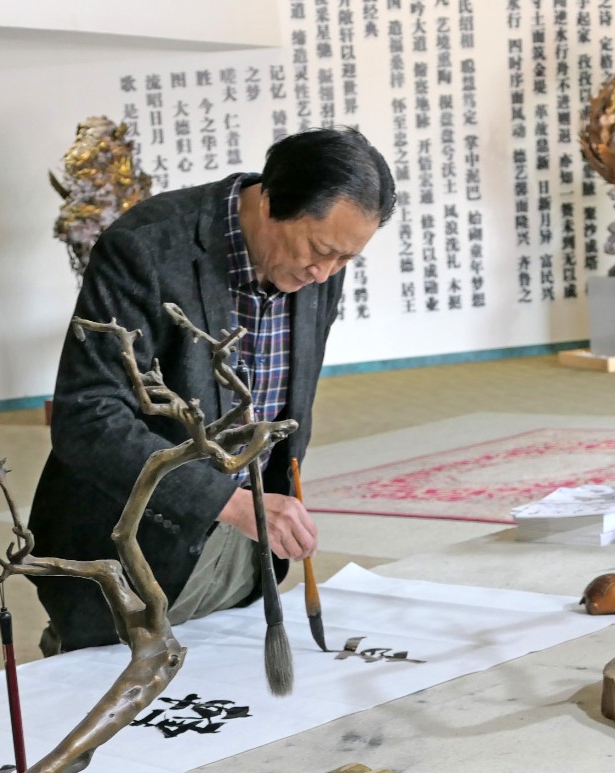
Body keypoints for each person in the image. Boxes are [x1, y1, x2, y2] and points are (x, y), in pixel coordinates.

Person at [28, 128, 396, 654]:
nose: (324, 274)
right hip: (135, 545)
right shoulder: (147, 247)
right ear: (270, 200)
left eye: (344, 260)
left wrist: (256, 509)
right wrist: (225, 501)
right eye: (319, 251)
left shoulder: (318, 267)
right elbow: (88, 417)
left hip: (246, 543)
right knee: (111, 674)